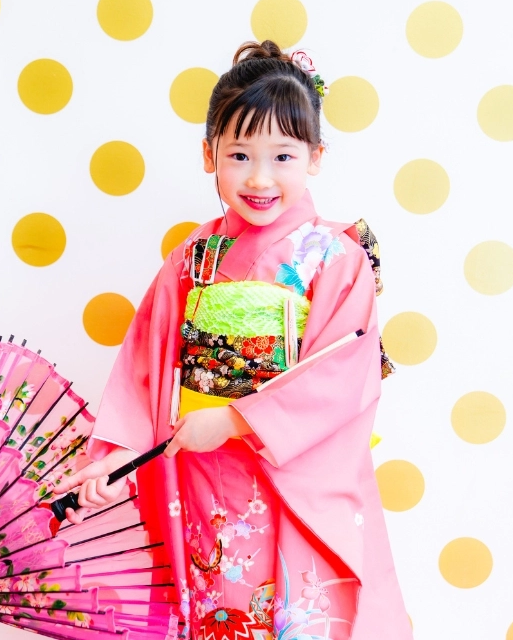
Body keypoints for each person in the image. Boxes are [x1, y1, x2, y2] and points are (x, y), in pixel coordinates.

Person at [53, 40, 412, 639]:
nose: (260, 177)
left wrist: (236, 420)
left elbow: (343, 377)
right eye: (240, 155)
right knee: (219, 612)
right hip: (202, 475)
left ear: (315, 157)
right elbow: (146, 366)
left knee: (297, 613)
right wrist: (117, 454)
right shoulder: (193, 258)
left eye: (283, 156)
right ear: (209, 154)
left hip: (289, 476)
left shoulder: (334, 256)